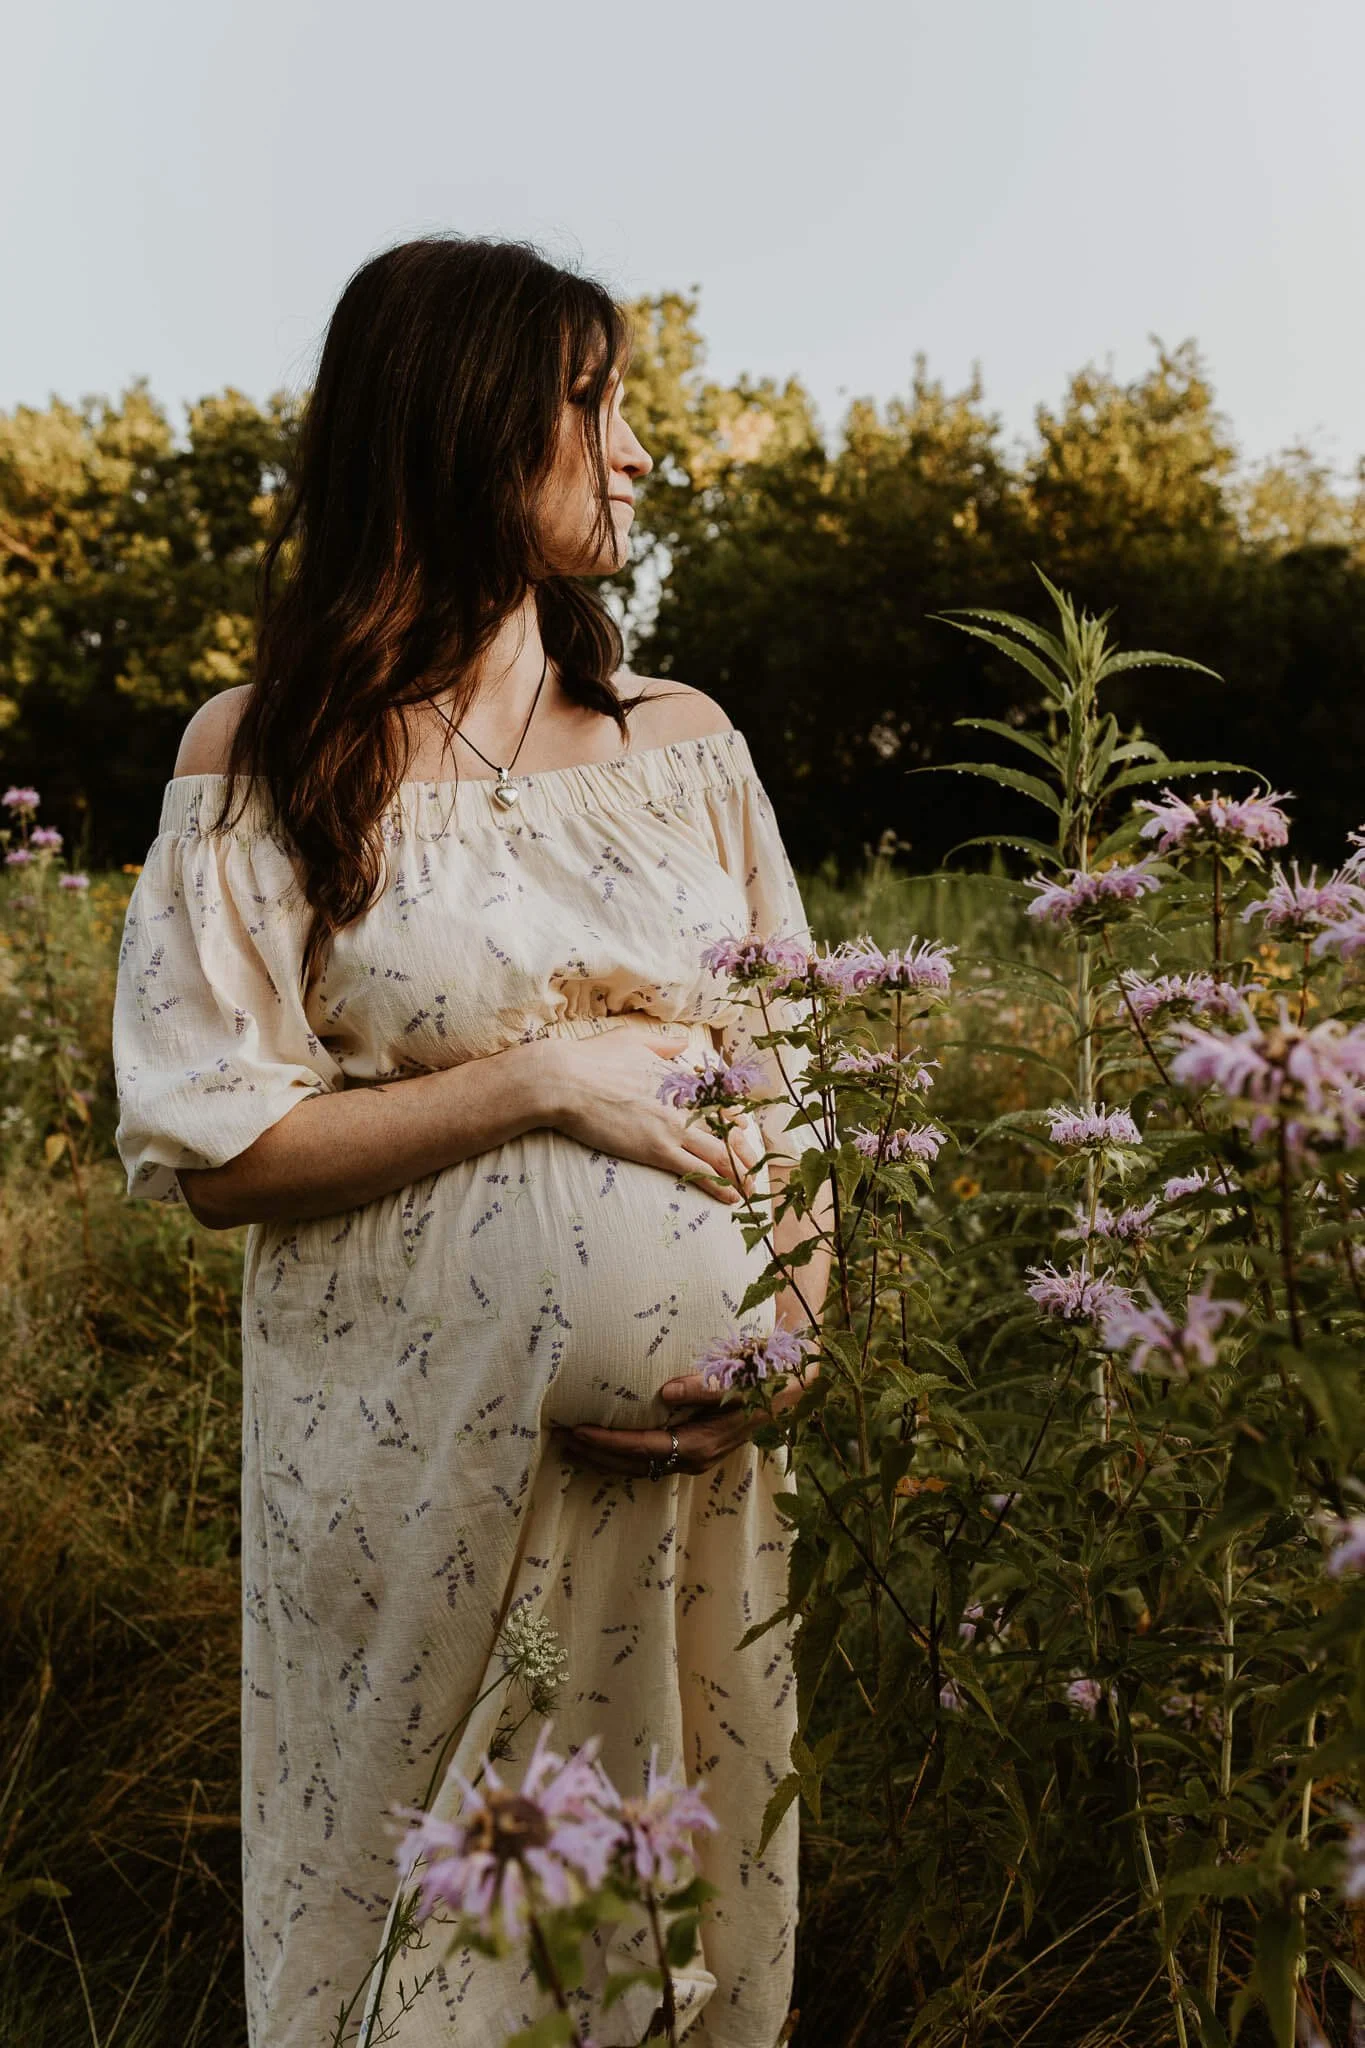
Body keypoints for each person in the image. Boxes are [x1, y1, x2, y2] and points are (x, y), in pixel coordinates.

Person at [111, 233, 833, 2047]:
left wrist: (791, 1333)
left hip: (690, 1475)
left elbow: (814, 1085)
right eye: (595, 404)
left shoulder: (687, 744)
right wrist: (539, 1084)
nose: (641, 450)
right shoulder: (269, 751)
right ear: (456, 425)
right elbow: (215, 1147)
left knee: (663, 1906)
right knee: (432, 1923)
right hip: (409, 1470)